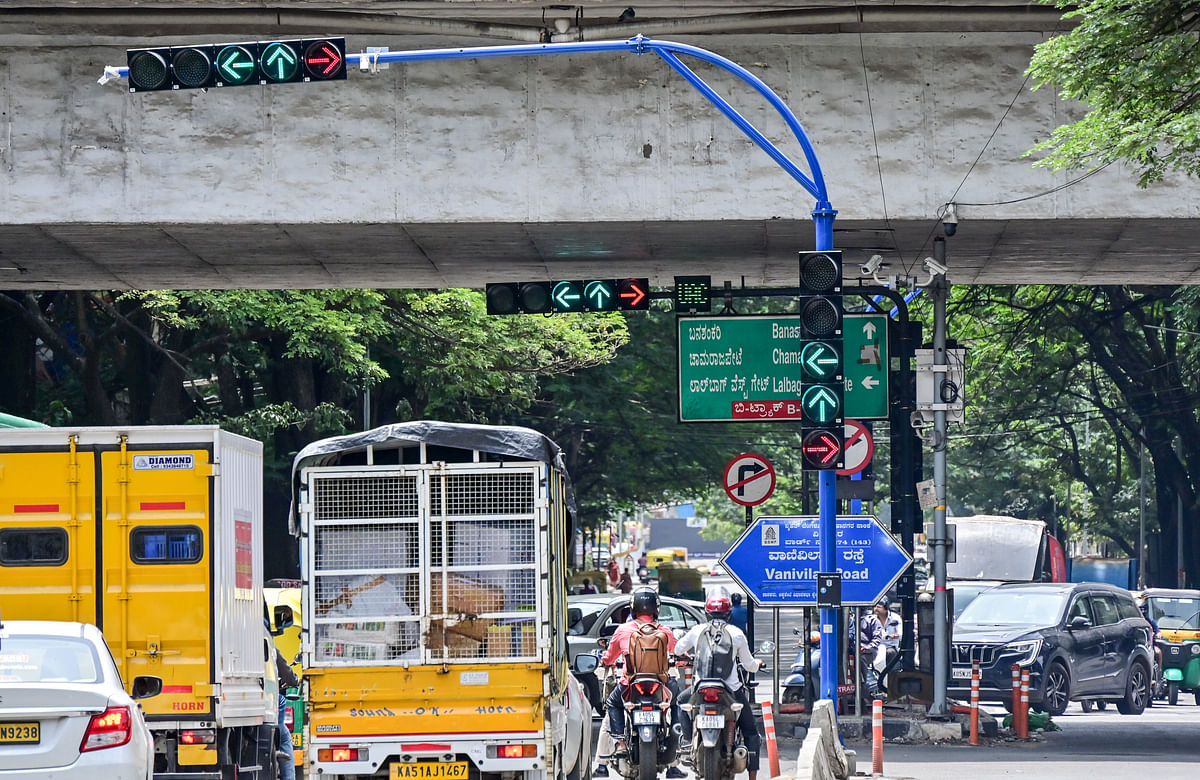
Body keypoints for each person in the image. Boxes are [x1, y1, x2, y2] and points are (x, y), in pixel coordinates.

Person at [675, 595, 763, 780]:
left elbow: (677, 649)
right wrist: (758, 664)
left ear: (707, 613)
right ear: (728, 614)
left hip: (700, 689)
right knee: (750, 731)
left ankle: (687, 740)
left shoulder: (697, 630)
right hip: (729, 690)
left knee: (681, 701)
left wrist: (689, 656)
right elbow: (749, 665)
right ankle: (753, 777)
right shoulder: (737, 633)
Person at [600, 587, 680, 764]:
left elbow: (609, 657)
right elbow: (678, 653)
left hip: (630, 682)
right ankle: (677, 731)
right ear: (656, 608)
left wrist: (605, 661)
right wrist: (683, 661)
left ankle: (620, 742)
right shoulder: (664, 630)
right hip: (661, 682)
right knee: (678, 700)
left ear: (633, 607)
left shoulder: (622, 630)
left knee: (613, 703)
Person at [273, 644, 300, 780]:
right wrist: (294, 680)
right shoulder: (262, 636)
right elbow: (284, 668)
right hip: (261, 700)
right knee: (283, 737)